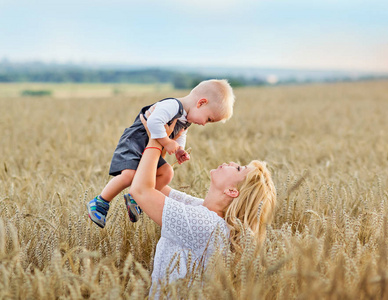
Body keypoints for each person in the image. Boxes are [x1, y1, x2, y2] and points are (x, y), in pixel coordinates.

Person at [130, 114, 277, 297]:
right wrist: (163, 140)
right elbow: (154, 186)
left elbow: (141, 191)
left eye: (238, 168)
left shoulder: (206, 224)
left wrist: (154, 138)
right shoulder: (204, 211)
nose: (232, 163)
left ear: (232, 191)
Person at [87, 79, 235, 228]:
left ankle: (137, 198)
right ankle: (100, 202)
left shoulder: (186, 119)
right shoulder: (173, 105)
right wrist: (167, 142)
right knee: (129, 175)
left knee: (167, 173)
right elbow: (152, 123)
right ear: (201, 103)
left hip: (150, 148)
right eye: (208, 119)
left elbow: (180, 135)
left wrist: (179, 149)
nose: (204, 124)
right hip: (135, 142)